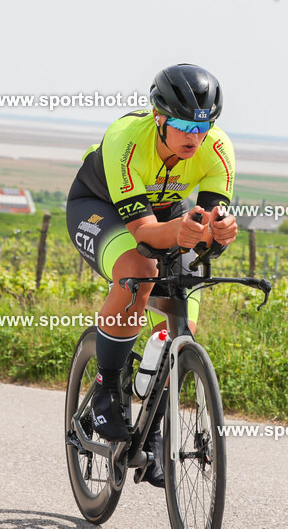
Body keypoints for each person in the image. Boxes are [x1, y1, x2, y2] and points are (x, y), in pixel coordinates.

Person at [66, 63, 238, 487]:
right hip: (99, 208)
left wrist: (218, 234)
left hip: (167, 214)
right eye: (182, 125)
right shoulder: (126, 141)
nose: (193, 137)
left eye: (203, 126)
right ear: (159, 117)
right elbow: (143, 233)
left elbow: (204, 230)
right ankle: (108, 389)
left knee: (184, 324)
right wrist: (180, 233)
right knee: (138, 271)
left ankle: (153, 431)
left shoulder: (217, 150)